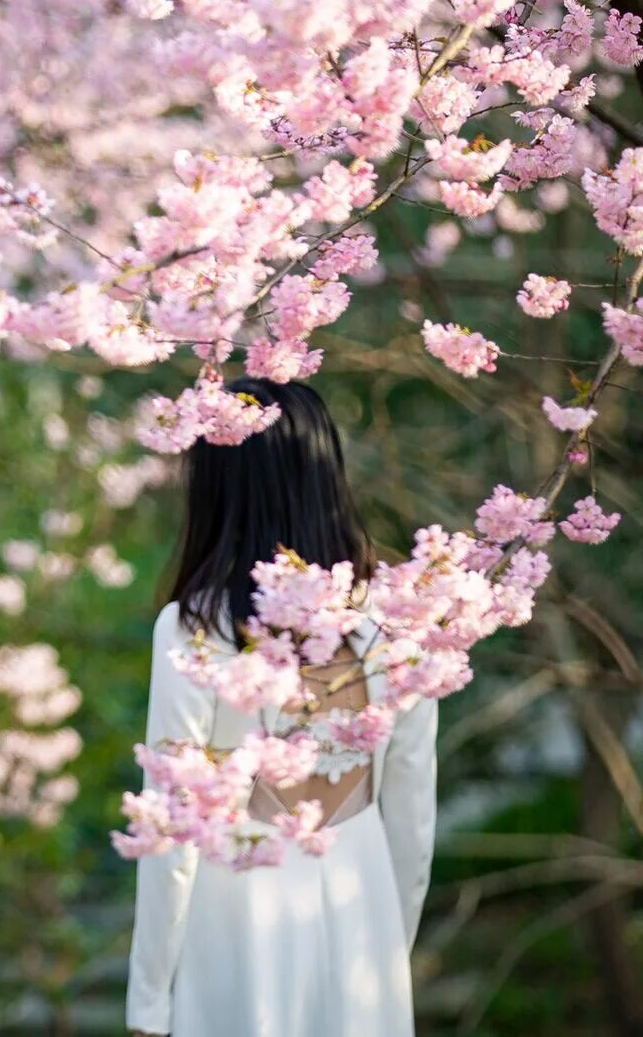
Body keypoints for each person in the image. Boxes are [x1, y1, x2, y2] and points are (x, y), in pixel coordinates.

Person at [125, 378, 438, 1037]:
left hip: (235, 920)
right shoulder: (398, 621)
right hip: (363, 911)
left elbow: (175, 830)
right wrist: (390, 945)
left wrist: (149, 997)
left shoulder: (196, 626)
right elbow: (413, 808)